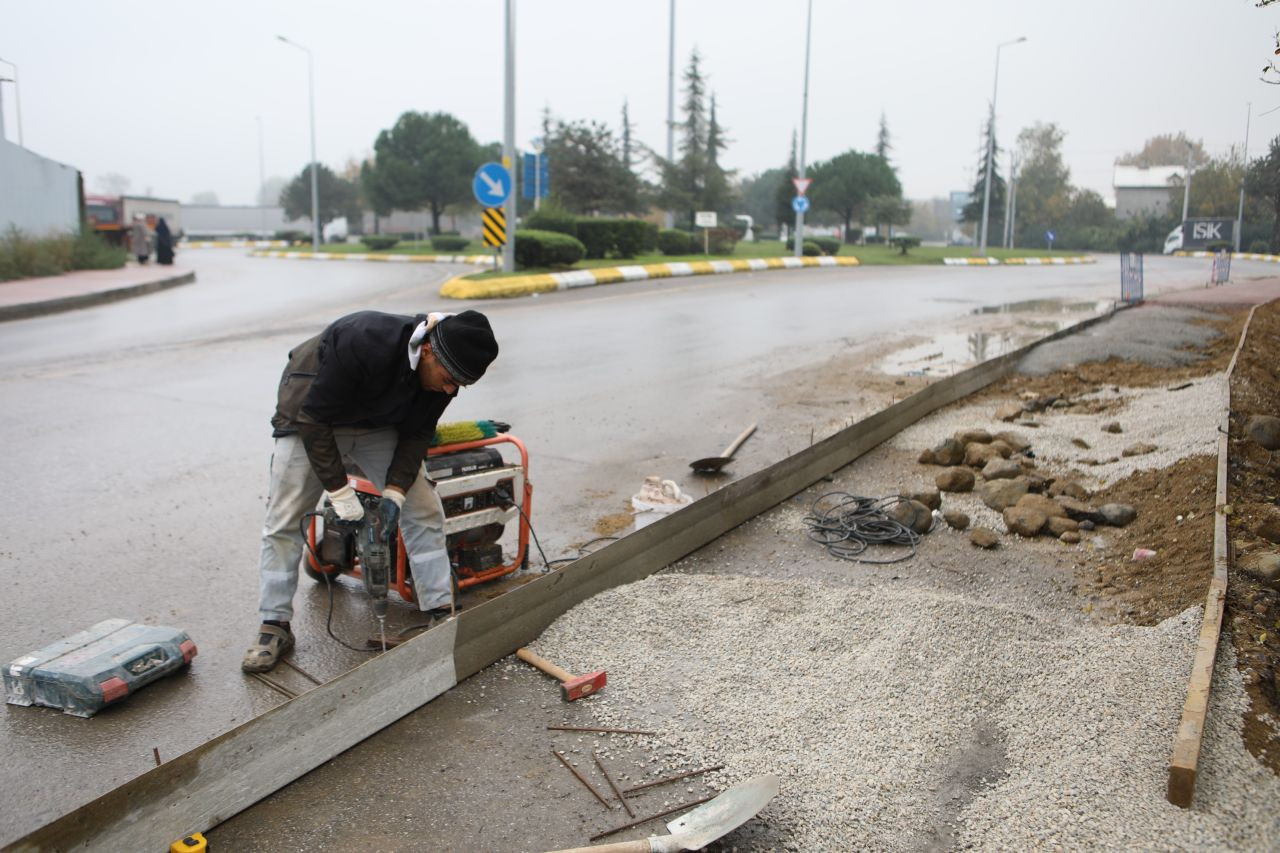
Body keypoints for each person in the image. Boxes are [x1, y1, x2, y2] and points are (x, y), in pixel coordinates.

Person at [242, 309, 499, 672]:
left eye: (460, 385)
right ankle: (274, 625)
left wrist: (395, 492)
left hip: (378, 424)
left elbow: (417, 433)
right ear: (427, 351)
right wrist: (340, 493)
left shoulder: (446, 371)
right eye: (448, 379)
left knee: (422, 508)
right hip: (311, 417)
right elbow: (315, 420)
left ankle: (441, 610)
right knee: (284, 520)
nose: (450, 390)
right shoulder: (362, 337)